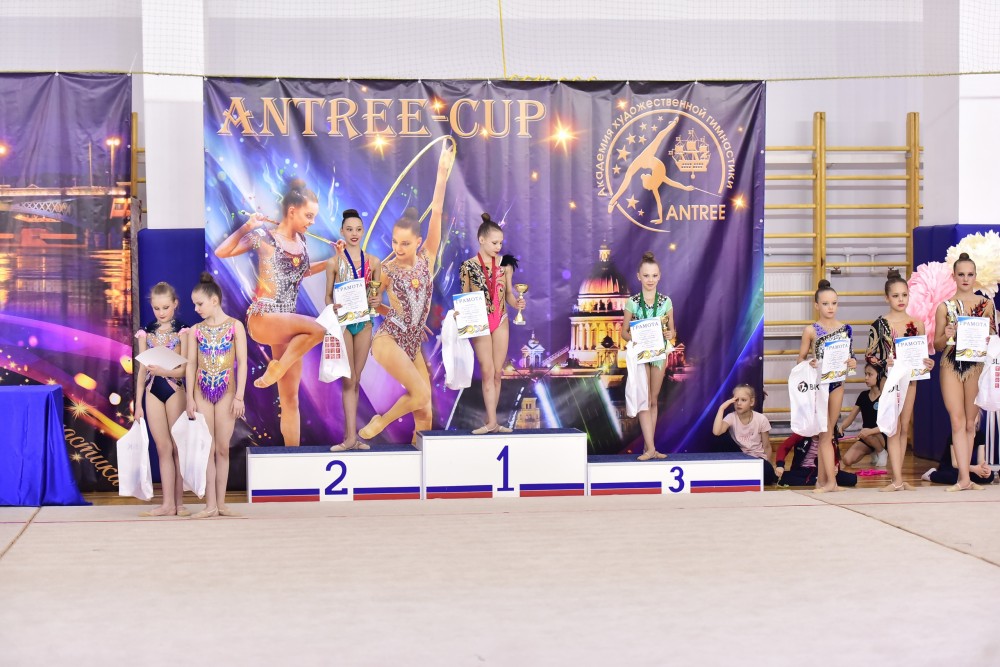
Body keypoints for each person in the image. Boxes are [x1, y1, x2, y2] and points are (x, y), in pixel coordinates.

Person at [214, 178, 328, 446]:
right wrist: (248, 226)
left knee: (290, 400)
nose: (312, 222)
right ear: (292, 211)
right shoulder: (265, 238)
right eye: (308, 215)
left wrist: (332, 261)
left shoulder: (302, 241)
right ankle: (277, 368)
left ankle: (292, 456)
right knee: (321, 328)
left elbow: (301, 273)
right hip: (263, 318)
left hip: (286, 325)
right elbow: (222, 252)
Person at [359, 144, 455, 444]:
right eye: (394, 242)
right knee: (422, 393)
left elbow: (436, 210)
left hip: (412, 342)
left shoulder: (427, 258)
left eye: (404, 243)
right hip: (388, 340)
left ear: (418, 242)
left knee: (424, 411)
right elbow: (371, 304)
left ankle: (418, 462)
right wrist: (381, 307)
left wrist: (442, 173)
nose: (398, 249)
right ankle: (382, 420)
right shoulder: (386, 270)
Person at [184, 273, 248, 519]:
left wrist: (239, 396)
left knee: (222, 448)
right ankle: (209, 504)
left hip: (227, 391)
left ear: (214, 300)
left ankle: (221, 503)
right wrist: (189, 398)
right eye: (194, 304)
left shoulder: (235, 326)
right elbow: (191, 364)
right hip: (201, 391)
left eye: (199, 303)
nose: (196, 309)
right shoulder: (196, 330)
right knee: (207, 449)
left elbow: (242, 363)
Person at [865, 269, 936, 491]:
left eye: (904, 295)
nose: (900, 299)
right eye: (895, 296)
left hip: (910, 380)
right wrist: (884, 362)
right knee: (893, 427)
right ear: (887, 298)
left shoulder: (917, 324)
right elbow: (869, 355)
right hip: (889, 380)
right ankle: (895, 479)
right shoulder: (880, 324)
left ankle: (899, 477)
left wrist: (927, 363)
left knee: (905, 427)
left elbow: (921, 354)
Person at [934, 252, 997, 491]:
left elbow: (994, 338)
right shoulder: (944, 307)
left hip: (976, 366)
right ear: (954, 276)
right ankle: (963, 477)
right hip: (951, 364)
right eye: (961, 274)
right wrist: (946, 335)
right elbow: (937, 345)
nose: (965, 278)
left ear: (976, 276)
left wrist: (990, 338)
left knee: (971, 423)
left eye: (970, 274)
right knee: (957, 420)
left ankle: (966, 478)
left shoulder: (987, 304)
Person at [458, 212, 525, 435]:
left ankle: (491, 421)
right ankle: (492, 424)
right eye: (494, 243)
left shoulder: (506, 265)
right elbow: (463, 297)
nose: (498, 247)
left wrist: (517, 303)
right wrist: (459, 315)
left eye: (501, 243)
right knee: (487, 371)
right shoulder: (468, 266)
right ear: (482, 240)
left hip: (501, 320)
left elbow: (509, 295)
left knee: (497, 373)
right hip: (479, 322)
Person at [324, 209, 382, 451]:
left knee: (356, 379)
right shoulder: (333, 263)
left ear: (363, 231)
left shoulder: (374, 262)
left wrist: (377, 300)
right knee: (349, 379)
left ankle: (353, 437)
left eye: (358, 229)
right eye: (349, 229)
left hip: (365, 322)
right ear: (342, 232)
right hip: (344, 323)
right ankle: (349, 438)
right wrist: (332, 306)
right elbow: (327, 296)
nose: (354, 233)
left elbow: (376, 296)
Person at [134, 282, 190, 517]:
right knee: (162, 447)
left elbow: (185, 369)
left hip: (174, 389)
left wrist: (164, 371)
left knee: (177, 447)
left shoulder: (182, 331)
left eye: (165, 307)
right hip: (151, 391)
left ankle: (179, 503)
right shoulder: (146, 332)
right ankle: (167, 504)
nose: (161, 312)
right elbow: (141, 370)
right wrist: (137, 404)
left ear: (175, 304)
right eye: (156, 308)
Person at [797, 279, 857, 492]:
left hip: (837, 383)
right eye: (825, 304)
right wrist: (809, 363)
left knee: (828, 432)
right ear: (816, 305)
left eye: (834, 303)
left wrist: (852, 362)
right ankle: (829, 481)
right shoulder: (810, 330)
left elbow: (851, 356)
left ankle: (823, 481)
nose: (830, 307)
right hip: (819, 385)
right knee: (824, 432)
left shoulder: (845, 329)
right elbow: (800, 359)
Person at [621, 251, 675, 460]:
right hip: (641, 353)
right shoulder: (632, 302)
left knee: (653, 399)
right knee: (644, 399)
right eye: (646, 275)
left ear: (659, 276)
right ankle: (651, 449)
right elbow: (624, 332)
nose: (650, 280)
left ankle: (648, 447)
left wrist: (670, 334)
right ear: (639, 277)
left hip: (659, 354)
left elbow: (672, 330)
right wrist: (636, 339)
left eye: (654, 275)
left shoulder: (666, 302)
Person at [712, 384, 777, 484]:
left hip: (757, 458)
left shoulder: (761, 419)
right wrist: (721, 408)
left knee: (767, 474)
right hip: (740, 457)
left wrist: (769, 464)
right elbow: (716, 432)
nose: (739, 403)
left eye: (743, 400)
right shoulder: (731, 417)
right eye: (736, 400)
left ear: (751, 402)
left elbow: (767, 446)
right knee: (720, 439)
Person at [922, 413, 996, 486]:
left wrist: (985, 469)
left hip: (969, 466)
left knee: (990, 476)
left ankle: (968, 478)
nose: (972, 418)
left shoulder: (980, 435)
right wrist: (974, 469)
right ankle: (931, 474)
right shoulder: (956, 435)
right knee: (955, 478)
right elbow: (955, 464)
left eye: (975, 415)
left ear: (979, 418)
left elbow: (981, 460)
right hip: (951, 467)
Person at [836, 363, 886, 468]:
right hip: (866, 436)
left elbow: (888, 424)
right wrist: (842, 427)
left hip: (882, 436)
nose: (866, 378)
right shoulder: (863, 395)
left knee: (867, 432)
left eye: (870, 374)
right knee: (847, 460)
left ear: (879, 376)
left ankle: (881, 452)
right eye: (865, 374)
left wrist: (871, 431)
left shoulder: (885, 396)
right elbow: (851, 417)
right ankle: (874, 450)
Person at [775, 433, 858, 488]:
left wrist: (835, 467)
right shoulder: (801, 434)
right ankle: (816, 481)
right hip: (801, 471)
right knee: (781, 478)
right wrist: (780, 465)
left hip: (822, 471)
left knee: (851, 479)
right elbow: (784, 447)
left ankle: (815, 481)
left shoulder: (829, 438)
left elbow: (835, 457)